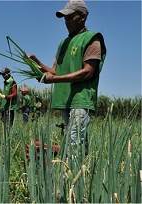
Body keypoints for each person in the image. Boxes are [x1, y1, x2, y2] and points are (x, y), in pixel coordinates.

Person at [29, 0, 106, 155]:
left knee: (74, 142)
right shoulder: (63, 43)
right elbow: (55, 71)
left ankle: (71, 177)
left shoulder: (92, 39)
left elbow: (87, 72)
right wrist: (36, 63)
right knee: (76, 143)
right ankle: (81, 172)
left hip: (80, 99)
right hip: (65, 99)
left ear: (83, 17)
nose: (67, 21)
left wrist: (53, 80)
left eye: (71, 17)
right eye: (65, 17)